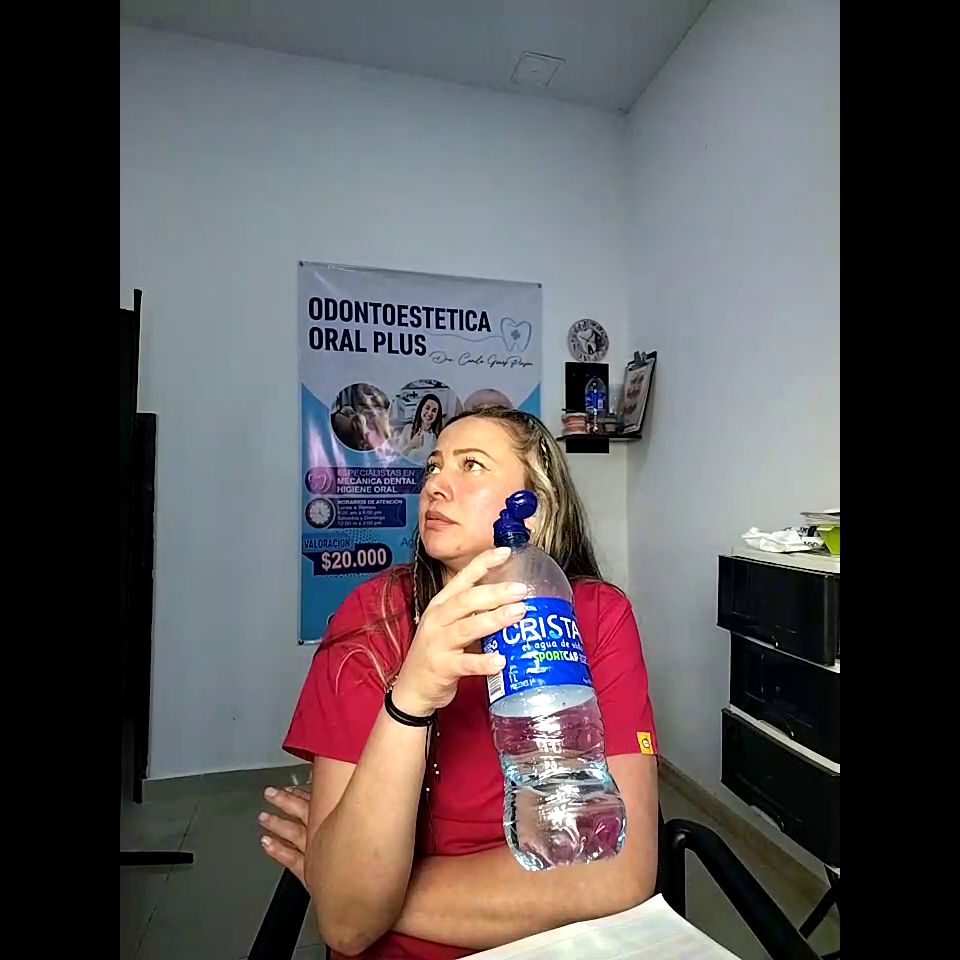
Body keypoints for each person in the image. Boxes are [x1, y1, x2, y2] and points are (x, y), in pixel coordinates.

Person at [259, 408, 659, 959]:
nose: (435, 485)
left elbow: (616, 872)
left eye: (471, 465)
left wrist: (371, 899)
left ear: (536, 505)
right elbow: (348, 929)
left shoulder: (596, 614)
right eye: (433, 467)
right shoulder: (373, 618)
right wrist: (411, 697)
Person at [392, 393, 443, 463]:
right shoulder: (408, 429)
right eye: (427, 408)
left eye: (434, 411)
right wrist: (412, 445)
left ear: (437, 415)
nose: (429, 413)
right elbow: (397, 460)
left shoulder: (437, 437)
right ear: (421, 408)